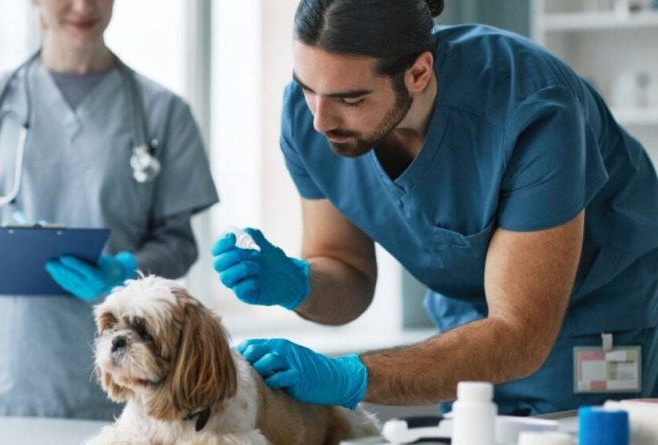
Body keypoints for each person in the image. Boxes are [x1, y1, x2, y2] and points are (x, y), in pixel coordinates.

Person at [212, 0, 658, 416]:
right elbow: (348, 275)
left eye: (351, 99)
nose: (319, 121)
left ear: (419, 73)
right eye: (306, 87)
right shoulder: (309, 116)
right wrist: (300, 284)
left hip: (593, 325)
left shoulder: (532, 105)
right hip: (465, 332)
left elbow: (518, 334)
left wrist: (351, 376)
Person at [0, 0, 217, 419]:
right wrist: (5, 254)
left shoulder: (163, 112)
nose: (83, 6)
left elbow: (179, 242)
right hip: (7, 380)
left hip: (125, 383)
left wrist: (125, 270)